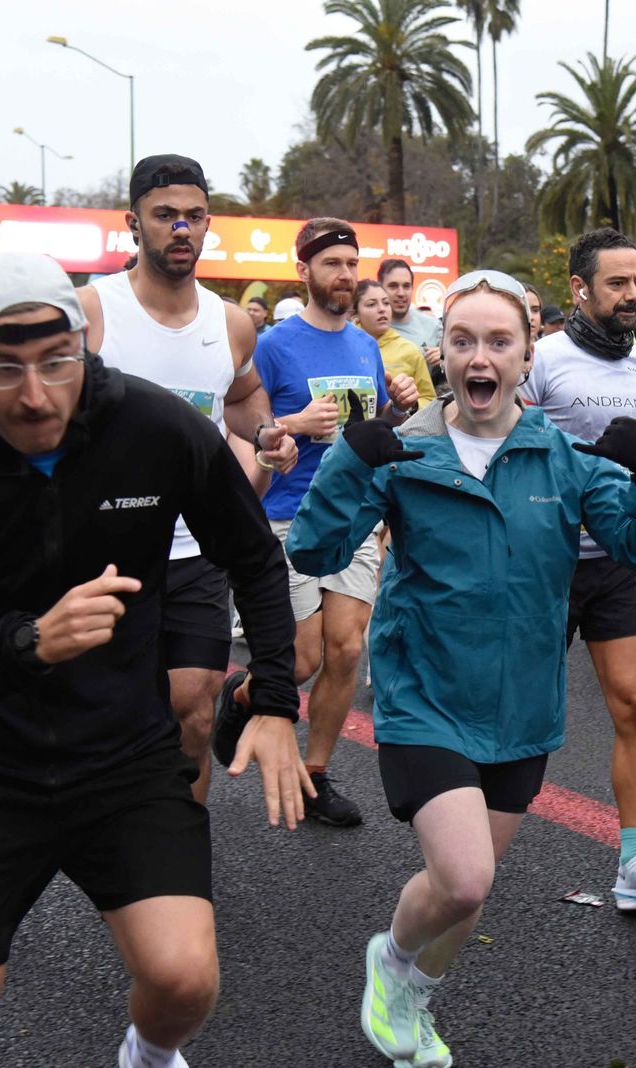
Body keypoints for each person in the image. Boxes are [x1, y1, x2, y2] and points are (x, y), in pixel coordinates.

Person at [0, 251, 304, 1068]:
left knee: (184, 980)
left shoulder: (155, 426)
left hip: (122, 757)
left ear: (83, 343)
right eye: (3, 370)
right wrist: (30, 641)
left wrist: (275, 700)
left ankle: (145, 1054)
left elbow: (252, 556)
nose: (35, 395)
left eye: (56, 362)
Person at [284, 269, 636, 1065]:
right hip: (424, 698)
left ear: (526, 356)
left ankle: (414, 997)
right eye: (463, 340)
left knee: (467, 893)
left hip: (522, 711)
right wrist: (349, 467)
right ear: (442, 355)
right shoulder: (405, 456)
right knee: (463, 879)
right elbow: (314, 550)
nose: (480, 356)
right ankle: (390, 962)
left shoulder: (562, 459)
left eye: (499, 341)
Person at [79, 154, 298, 805]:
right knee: (106, 713)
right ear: (133, 223)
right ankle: (114, 828)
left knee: (193, 708)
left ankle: (178, 850)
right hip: (105, 547)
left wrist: (263, 434)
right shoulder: (91, 312)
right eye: (166, 215)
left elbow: (244, 393)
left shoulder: (228, 323)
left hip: (194, 547)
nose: (182, 229)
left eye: (195, 217)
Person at [218, 219, 418, 827]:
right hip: (287, 514)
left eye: (352, 264)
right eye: (332, 264)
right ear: (303, 272)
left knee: (346, 648)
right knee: (301, 659)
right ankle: (240, 697)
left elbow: (363, 425)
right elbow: (241, 424)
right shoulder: (274, 344)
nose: (346, 276)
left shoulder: (364, 344)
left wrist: (395, 406)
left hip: (353, 515)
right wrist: (291, 426)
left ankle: (317, 776)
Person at [519, 227, 636, 911]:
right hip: (547, 559)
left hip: (618, 560)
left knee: (635, 703)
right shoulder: (544, 359)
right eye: (617, 282)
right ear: (580, 288)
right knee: (521, 709)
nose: (633, 294)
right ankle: (466, 839)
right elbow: (510, 442)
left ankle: (633, 863)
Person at [354, 278, 437, 405]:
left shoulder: (409, 350)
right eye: (371, 304)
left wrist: (409, 406)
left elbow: (429, 398)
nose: (382, 309)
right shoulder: (345, 348)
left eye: (386, 303)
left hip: (400, 424)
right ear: (355, 313)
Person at [382, 258, 445, 398]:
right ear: (380, 288)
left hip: (421, 410)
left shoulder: (433, 326)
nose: (401, 293)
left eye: (406, 286)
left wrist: (444, 359)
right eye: (393, 286)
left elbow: (451, 372)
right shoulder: (367, 328)